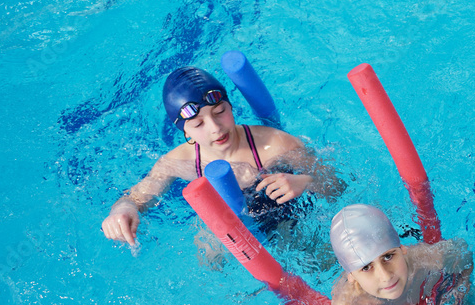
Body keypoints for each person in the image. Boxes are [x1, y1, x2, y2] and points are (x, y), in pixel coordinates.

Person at [101, 66, 342, 246]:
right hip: (231, 231)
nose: (215, 127)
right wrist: (121, 211)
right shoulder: (176, 162)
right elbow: (136, 198)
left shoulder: (275, 144)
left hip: (286, 217)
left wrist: (305, 182)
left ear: (231, 106)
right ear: (184, 131)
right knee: (206, 244)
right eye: (198, 123)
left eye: (220, 112)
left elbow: (338, 185)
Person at [308, 204, 473, 305]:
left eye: (388, 256)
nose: (385, 276)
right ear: (351, 276)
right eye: (366, 268)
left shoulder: (425, 262)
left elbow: (462, 252)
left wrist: (451, 301)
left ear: (402, 249)